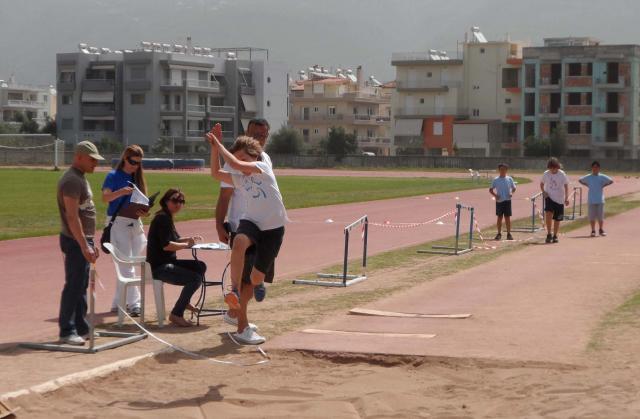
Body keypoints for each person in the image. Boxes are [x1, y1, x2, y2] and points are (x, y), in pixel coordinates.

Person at [207, 126, 287, 345]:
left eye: (243, 157)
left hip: (273, 228)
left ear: (254, 156)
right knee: (240, 241)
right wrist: (214, 149)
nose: (238, 163)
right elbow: (215, 173)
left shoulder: (262, 166)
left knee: (255, 279)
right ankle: (233, 292)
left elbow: (235, 163)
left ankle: (258, 284)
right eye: (237, 156)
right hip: (251, 221)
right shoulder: (239, 178)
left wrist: (220, 144)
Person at [214, 118, 275, 329]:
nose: (259, 138)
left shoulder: (264, 159)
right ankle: (241, 323)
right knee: (245, 280)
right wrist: (219, 224)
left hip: (264, 226)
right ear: (247, 134)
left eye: (263, 135)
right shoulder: (234, 161)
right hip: (242, 225)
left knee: (257, 277)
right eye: (255, 134)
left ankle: (234, 313)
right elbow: (224, 196)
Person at [57, 141, 104, 345]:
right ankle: (67, 330)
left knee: (82, 284)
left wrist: (91, 242)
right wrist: (85, 244)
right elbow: (72, 217)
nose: (95, 163)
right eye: (92, 159)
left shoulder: (81, 178)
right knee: (74, 285)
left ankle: (82, 326)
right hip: (75, 240)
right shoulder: (71, 181)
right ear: (79, 157)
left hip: (84, 239)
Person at [146, 189, 205, 327]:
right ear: (166, 201)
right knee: (195, 278)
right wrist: (186, 245)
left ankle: (184, 302)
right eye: (175, 200)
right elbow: (167, 245)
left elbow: (175, 239)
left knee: (200, 266)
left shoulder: (167, 216)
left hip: (168, 263)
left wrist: (189, 239)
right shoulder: (162, 218)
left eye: (181, 201)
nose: (178, 204)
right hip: (159, 268)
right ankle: (176, 314)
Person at [102, 145, 149, 316]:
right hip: (118, 222)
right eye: (132, 161)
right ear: (124, 158)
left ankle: (117, 302)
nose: (134, 166)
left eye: (138, 163)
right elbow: (105, 197)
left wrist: (144, 211)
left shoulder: (138, 178)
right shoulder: (113, 176)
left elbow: (141, 201)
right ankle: (134, 303)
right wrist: (121, 192)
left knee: (128, 264)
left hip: (135, 223)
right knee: (127, 264)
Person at [579, 161, 613, 237]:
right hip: (591, 199)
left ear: (599, 168)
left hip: (600, 199)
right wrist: (587, 185)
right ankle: (593, 230)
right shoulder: (589, 177)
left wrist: (604, 185)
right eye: (594, 167)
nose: (595, 169)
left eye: (596, 167)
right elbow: (580, 180)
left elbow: (611, 181)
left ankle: (601, 229)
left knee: (600, 216)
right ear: (592, 168)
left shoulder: (602, 176)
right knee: (592, 216)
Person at [540, 157, 570, 244]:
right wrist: (543, 192)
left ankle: (555, 235)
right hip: (549, 197)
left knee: (557, 218)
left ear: (557, 167)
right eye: (550, 168)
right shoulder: (546, 174)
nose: (552, 170)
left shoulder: (562, 174)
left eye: (554, 168)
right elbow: (541, 184)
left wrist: (566, 197)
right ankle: (549, 234)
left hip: (559, 199)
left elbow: (566, 186)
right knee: (548, 214)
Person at [489, 163, 516, 241]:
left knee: (507, 217)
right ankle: (499, 233)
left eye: (504, 169)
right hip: (499, 201)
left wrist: (511, 193)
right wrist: (495, 195)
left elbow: (514, 188)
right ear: (499, 170)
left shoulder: (509, 179)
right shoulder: (496, 179)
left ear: (506, 170)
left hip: (507, 200)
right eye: (501, 169)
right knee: (499, 217)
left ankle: (509, 233)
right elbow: (490, 189)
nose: (502, 171)